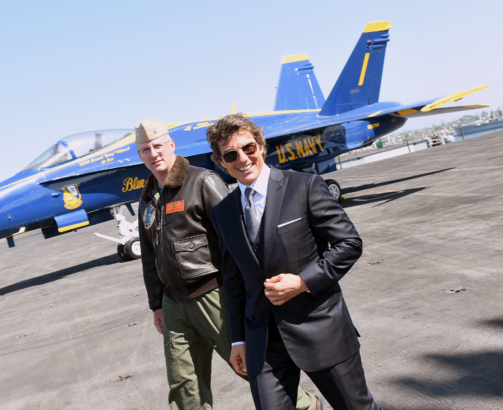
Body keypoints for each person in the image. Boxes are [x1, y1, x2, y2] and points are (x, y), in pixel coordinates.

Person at [135, 118, 318, 410]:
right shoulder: (147, 198)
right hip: (173, 305)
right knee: (184, 387)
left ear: (171, 145)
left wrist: (248, 295)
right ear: (139, 154)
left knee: (249, 366)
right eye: (145, 149)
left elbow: (236, 240)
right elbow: (149, 254)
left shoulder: (202, 181)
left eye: (158, 146)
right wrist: (156, 303)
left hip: (212, 294)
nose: (153, 153)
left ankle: (305, 405)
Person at [206, 114, 383, 410]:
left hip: (320, 328)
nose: (243, 159)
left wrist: (303, 282)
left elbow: (348, 243)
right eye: (231, 154)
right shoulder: (223, 213)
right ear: (221, 162)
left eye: (248, 148)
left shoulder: (304, 186)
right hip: (263, 341)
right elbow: (233, 280)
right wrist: (238, 340)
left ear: (261, 146)